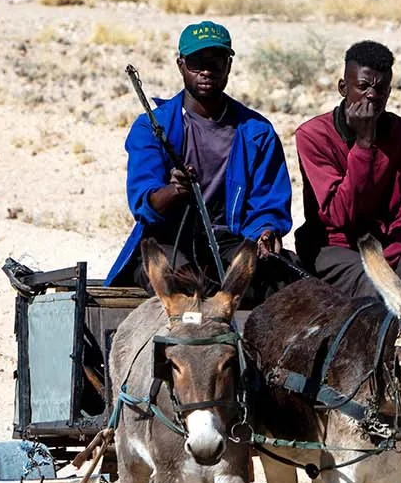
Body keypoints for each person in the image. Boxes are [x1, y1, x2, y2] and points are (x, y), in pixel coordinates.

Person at [106, 20, 295, 294]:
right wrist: (173, 191)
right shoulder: (152, 127)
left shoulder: (257, 132)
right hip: (169, 240)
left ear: (228, 66)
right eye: (196, 63)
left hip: (231, 240)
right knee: (188, 283)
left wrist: (265, 232)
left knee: (286, 279)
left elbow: (268, 204)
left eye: (216, 63)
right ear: (181, 65)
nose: (206, 72)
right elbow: (144, 203)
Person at [293, 40, 401, 301]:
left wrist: (386, 255)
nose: (372, 96)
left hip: (385, 249)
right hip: (331, 247)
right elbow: (338, 214)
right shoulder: (313, 135)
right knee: (374, 283)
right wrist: (364, 145)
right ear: (343, 88)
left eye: (380, 89)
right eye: (363, 86)